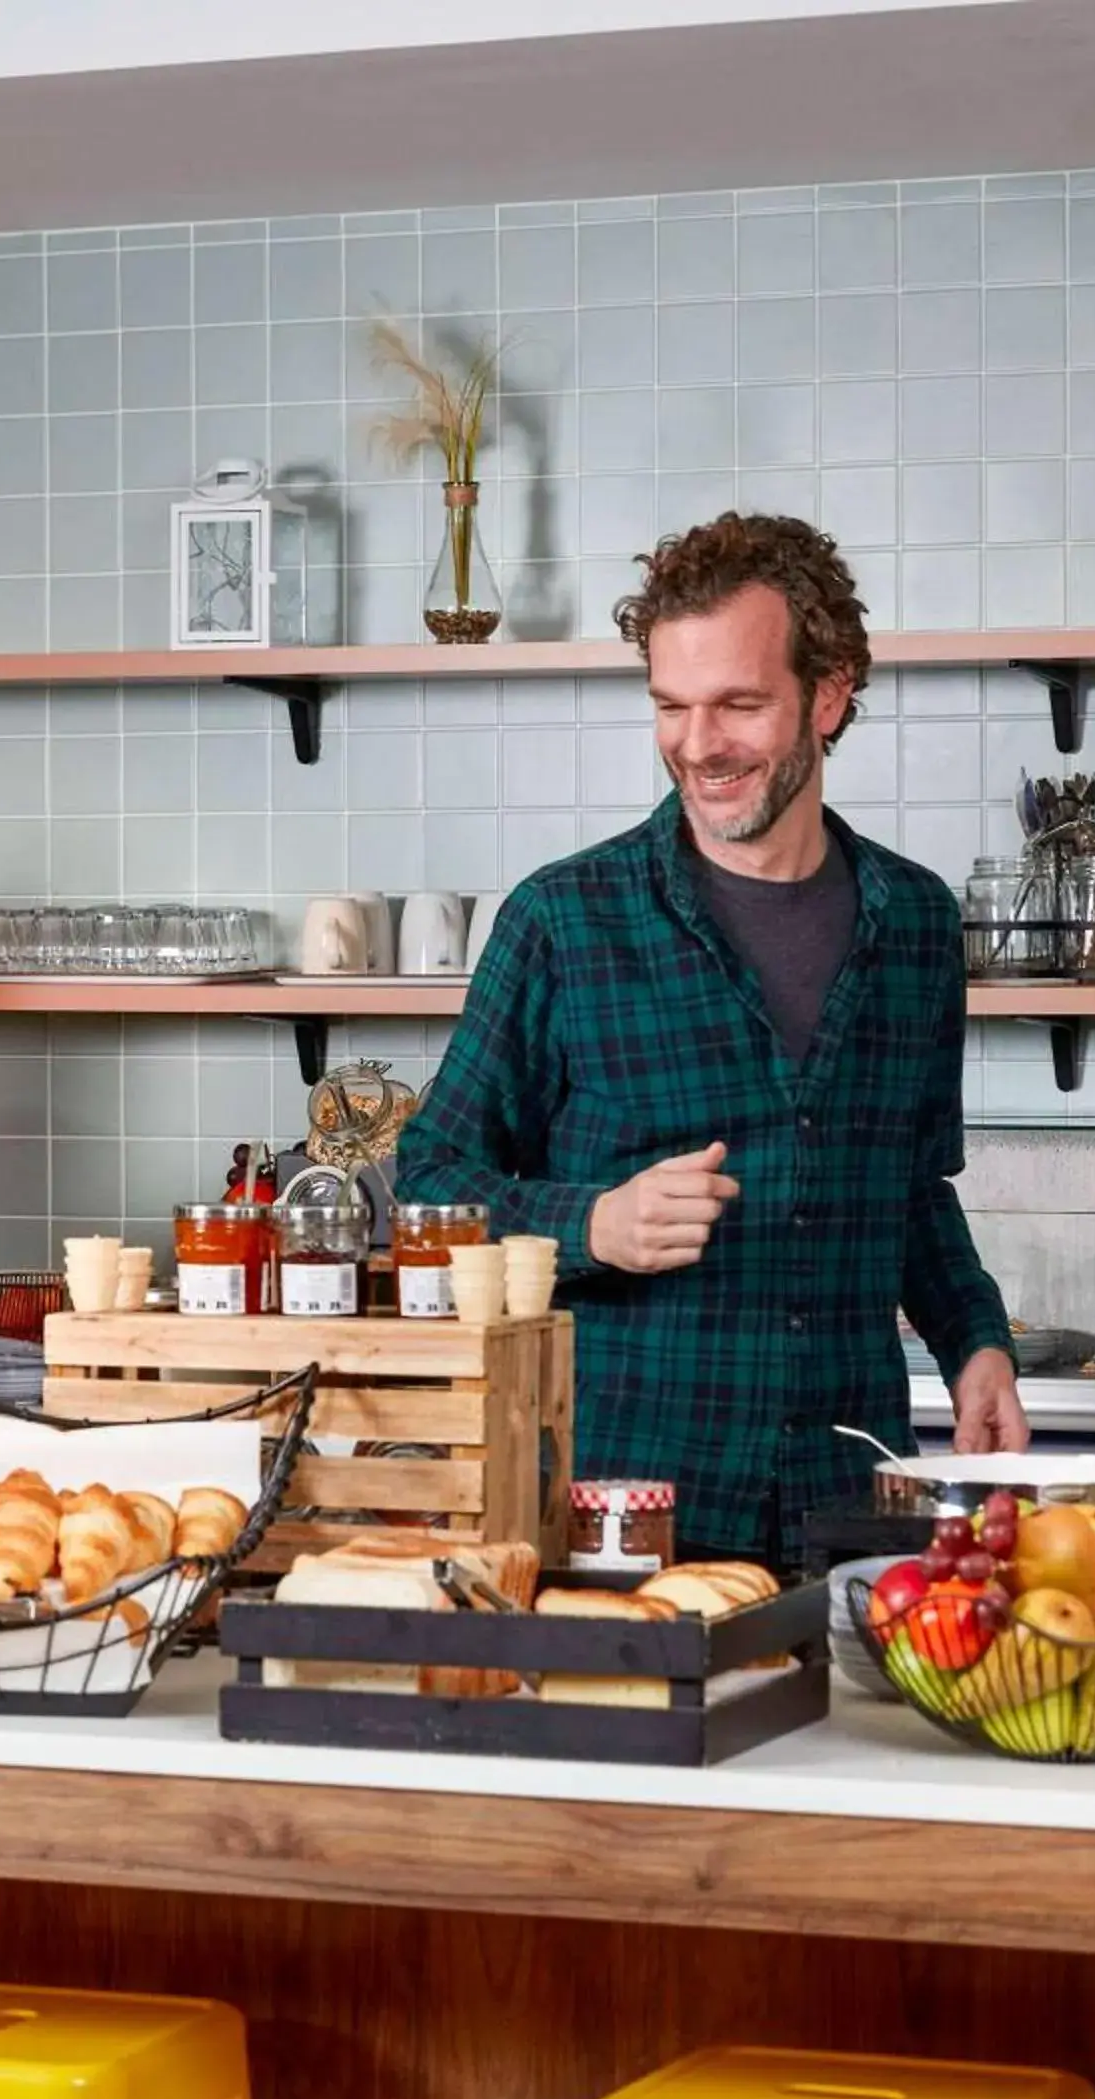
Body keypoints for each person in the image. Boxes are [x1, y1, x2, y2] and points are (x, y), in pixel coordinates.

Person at [395, 512, 1024, 1564]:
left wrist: (976, 1343)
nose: (698, 744)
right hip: (622, 1517)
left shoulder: (915, 923)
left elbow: (912, 1188)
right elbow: (425, 1186)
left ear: (829, 695)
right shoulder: (565, 920)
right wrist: (592, 1225)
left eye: (738, 704)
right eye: (672, 707)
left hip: (850, 1506)